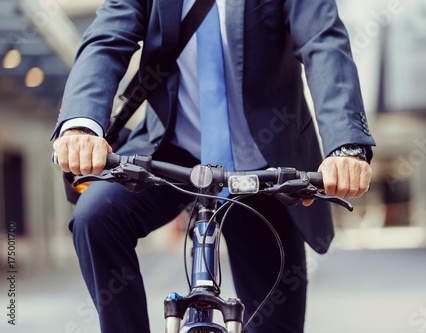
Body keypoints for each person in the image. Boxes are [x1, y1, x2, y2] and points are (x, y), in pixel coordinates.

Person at [52, 0, 376, 332]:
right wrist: (80, 127)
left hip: (265, 163)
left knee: (275, 323)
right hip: (173, 150)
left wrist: (346, 147)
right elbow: (107, 39)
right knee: (97, 216)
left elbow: (323, 42)